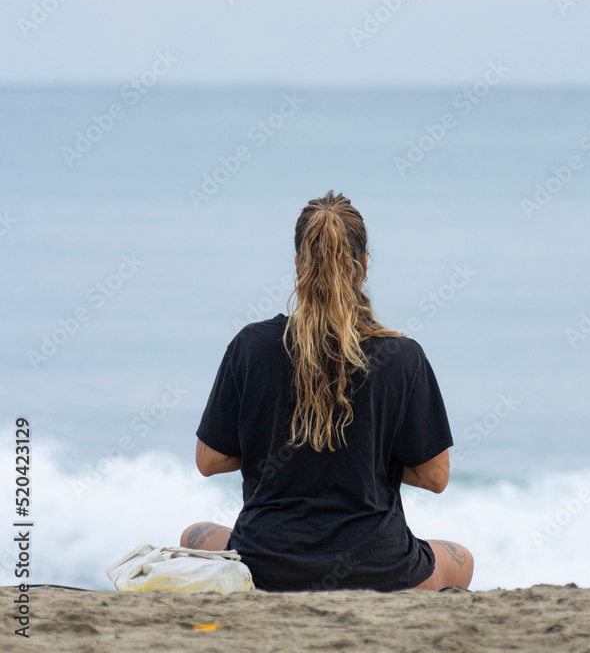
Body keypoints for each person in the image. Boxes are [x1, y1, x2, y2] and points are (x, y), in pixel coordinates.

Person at [181, 191, 473, 591]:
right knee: (462, 559)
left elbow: (209, 460)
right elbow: (435, 476)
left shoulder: (251, 346)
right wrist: (365, 456)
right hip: (379, 567)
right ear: (365, 266)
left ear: (299, 265)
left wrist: (281, 450)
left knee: (193, 535)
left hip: (266, 565)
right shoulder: (402, 357)